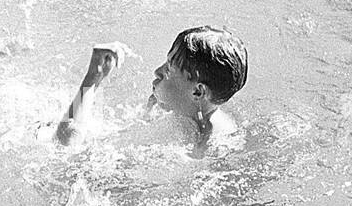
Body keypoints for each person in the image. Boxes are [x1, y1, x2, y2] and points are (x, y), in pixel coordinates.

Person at [55, 25, 248, 152]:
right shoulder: (170, 103)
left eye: (169, 69)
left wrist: (93, 76)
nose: (157, 72)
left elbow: (69, 149)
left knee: (60, 141)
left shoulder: (203, 144)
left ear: (197, 92)